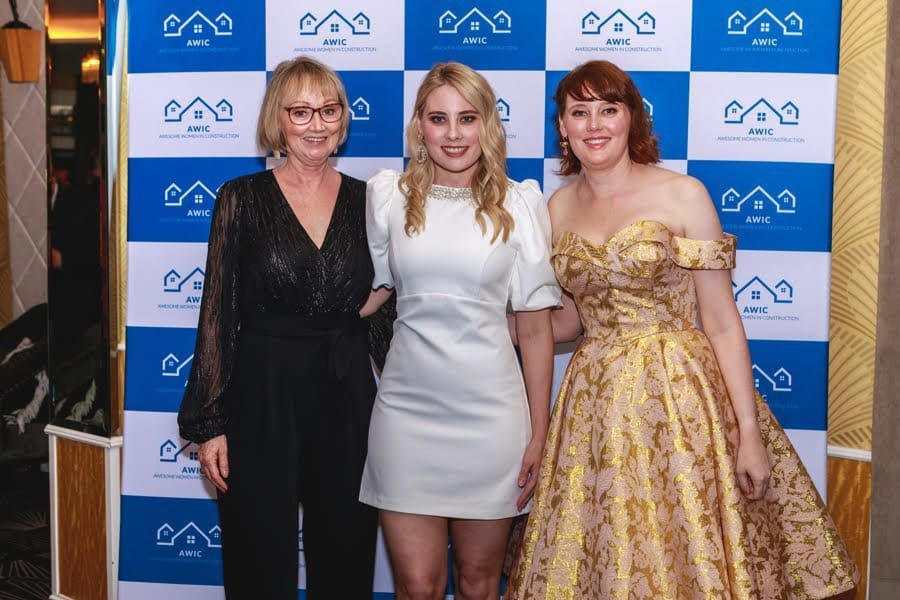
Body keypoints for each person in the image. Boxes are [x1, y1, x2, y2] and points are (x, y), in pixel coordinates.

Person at [507, 60, 858, 599]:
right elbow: (574, 319)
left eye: (609, 109)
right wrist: (486, 321)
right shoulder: (556, 208)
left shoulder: (683, 194)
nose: (594, 125)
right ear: (563, 126)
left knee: (686, 547)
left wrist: (747, 431)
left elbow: (719, 320)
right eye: (580, 112)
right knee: (606, 551)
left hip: (679, 401)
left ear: (633, 119)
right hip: (593, 409)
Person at [177, 56, 392, 599]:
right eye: (300, 112)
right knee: (256, 555)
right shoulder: (240, 198)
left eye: (328, 110)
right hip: (260, 388)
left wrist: (417, 405)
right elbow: (218, 313)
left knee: (346, 550)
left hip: (346, 389)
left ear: (344, 119)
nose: (315, 124)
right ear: (279, 119)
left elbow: (386, 315)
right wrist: (210, 423)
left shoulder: (373, 201)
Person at [359, 62, 560, 599]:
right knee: (417, 586)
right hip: (406, 415)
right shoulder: (388, 198)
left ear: (487, 126)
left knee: (477, 584)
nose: (453, 134)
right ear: (419, 126)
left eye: (467, 118)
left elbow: (537, 333)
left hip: (491, 421)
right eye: (439, 118)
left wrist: (539, 433)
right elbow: (374, 293)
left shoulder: (520, 206)